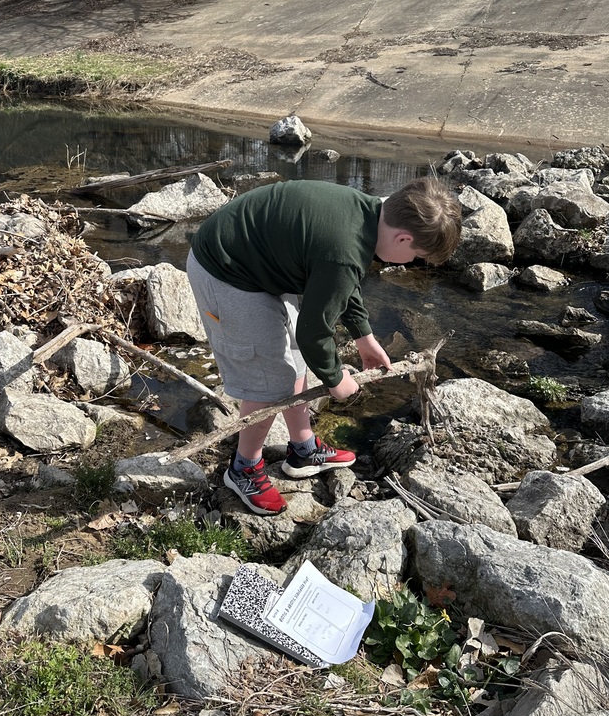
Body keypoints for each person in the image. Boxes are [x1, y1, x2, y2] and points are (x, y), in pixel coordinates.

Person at [186, 176, 461, 516]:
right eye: (416, 256)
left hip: (260, 258)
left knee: (295, 359)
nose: (411, 263)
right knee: (268, 380)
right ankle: (243, 468)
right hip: (224, 268)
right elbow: (313, 332)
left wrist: (364, 337)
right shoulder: (344, 249)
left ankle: (303, 448)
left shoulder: (369, 214)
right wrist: (334, 378)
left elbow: (343, 284)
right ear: (403, 238)